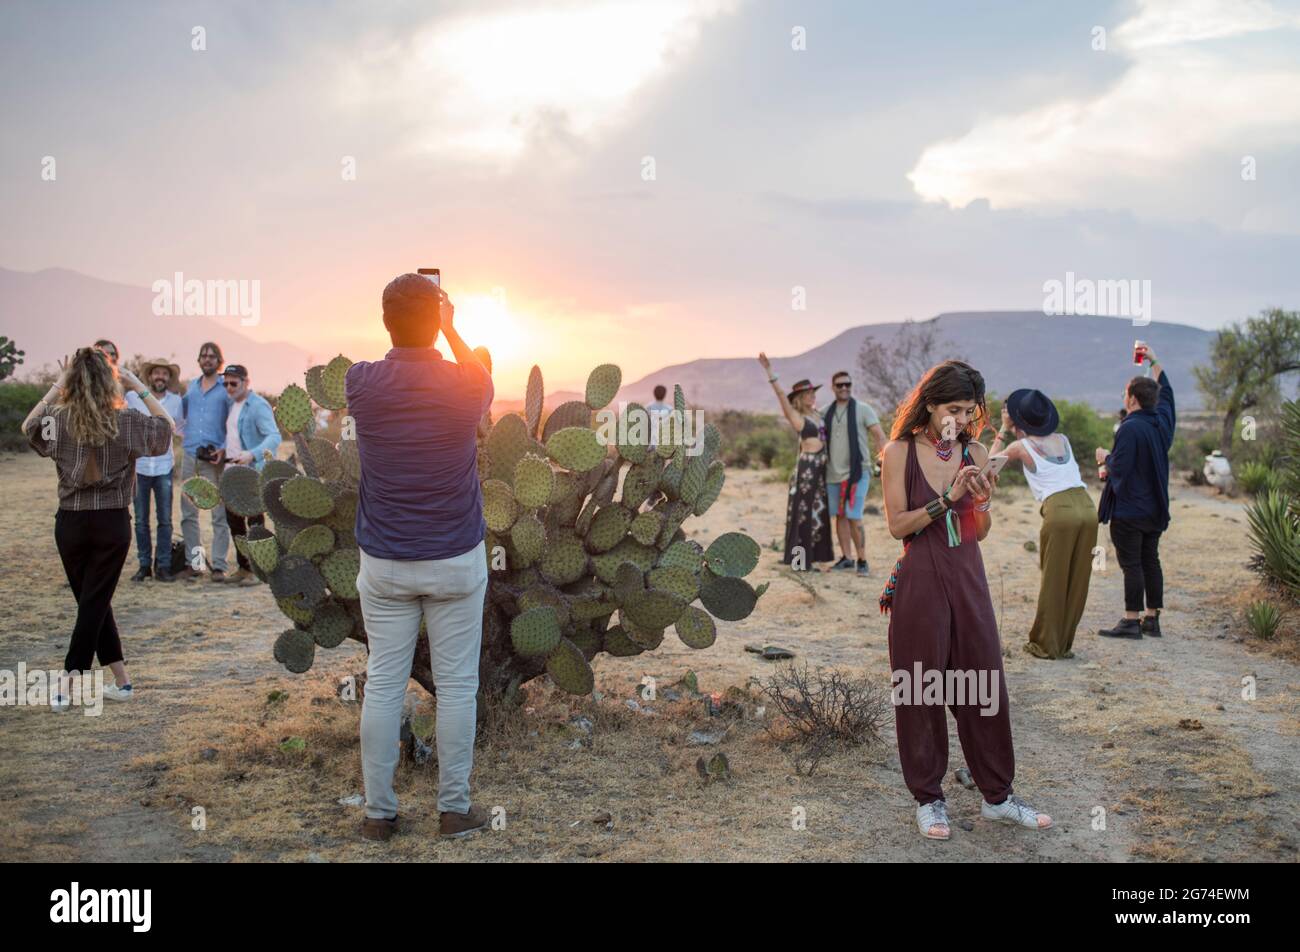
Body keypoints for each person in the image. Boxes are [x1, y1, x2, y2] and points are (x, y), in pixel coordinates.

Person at [347, 273, 494, 842]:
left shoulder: (362, 382)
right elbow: (479, 378)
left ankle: (378, 816)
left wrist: (423, 322)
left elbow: (379, 366)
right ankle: (454, 810)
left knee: (384, 682)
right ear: (437, 318)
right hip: (456, 556)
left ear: (385, 321)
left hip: (385, 561)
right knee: (458, 687)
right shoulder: (465, 384)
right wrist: (452, 328)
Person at [878, 360, 1051, 840]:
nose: (959, 419)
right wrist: (947, 497)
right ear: (930, 404)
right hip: (920, 578)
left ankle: (998, 796)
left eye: (968, 411)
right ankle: (929, 800)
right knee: (919, 687)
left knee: (984, 684)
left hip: (967, 573)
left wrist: (982, 500)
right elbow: (897, 526)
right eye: (952, 409)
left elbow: (981, 530)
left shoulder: (974, 449)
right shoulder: (898, 452)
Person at [21, 347, 174, 709]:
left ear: (71, 380)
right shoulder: (127, 422)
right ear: (111, 380)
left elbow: (28, 427)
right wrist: (137, 384)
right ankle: (69, 682)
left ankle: (121, 683)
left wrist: (58, 384)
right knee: (94, 602)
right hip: (112, 523)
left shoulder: (57, 419)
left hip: (70, 522)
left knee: (93, 601)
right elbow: (167, 428)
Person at [990, 390, 1098, 659]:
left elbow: (989, 467)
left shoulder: (1020, 446)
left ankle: (1045, 644)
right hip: (1087, 507)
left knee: (1054, 578)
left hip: (1059, 510)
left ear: (1018, 419)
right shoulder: (1063, 439)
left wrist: (1003, 428)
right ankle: (1064, 644)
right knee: (1077, 580)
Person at [1096, 347, 1174, 640]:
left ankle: (1131, 621)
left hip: (1130, 510)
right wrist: (1154, 360)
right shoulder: (1162, 424)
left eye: (1125, 393)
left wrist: (1104, 457)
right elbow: (1168, 394)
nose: (1123, 397)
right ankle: (1152, 620)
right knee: (1150, 560)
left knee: (1132, 565)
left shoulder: (1128, 428)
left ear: (1132, 398)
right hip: (1155, 509)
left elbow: (1121, 468)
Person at [757, 354, 834, 570]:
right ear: (799, 398)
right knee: (803, 514)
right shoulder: (796, 417)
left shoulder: (818, 414)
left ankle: (815, 558)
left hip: (821, 470)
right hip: (807, 470)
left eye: (812, 393)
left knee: (818, 512)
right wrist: (770, 372)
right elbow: (781, 396)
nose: (812, 396)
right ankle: (800, 562)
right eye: (808, 394)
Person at [219, 363, 282, 585]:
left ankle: (258, 571)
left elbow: (274, 437)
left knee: (255, 524)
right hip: (231, 473)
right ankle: (244, 568)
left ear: (246, 382)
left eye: (233, 383)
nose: (228, 387)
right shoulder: (232, 404)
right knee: (234, 523)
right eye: (225, 383)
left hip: (252, 473)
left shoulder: (258, 405)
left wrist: (252, 455)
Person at [177, 342, 232, 581]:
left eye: (212, 356)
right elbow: (182, 418)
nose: (207, 359)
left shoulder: (226, 388)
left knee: (218, 513)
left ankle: (219, 565)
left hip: (213, 458)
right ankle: (195, 563)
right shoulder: (191, 387)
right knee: (189, 513)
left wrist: (224, 448)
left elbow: (233, 423)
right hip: (190, 455)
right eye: (203, 356)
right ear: (199, 360)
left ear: (219, 361)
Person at [126, 358, 184, 582]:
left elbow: (180, 428)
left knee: (165, 520)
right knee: (140, 520)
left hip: (163, 466)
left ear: (169, 378)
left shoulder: (176, 402)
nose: (160, 377)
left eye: (164, 374)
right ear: (149, 377)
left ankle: (163, 566)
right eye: (156, 373)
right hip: (139, 467)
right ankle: (143, 566)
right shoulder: (132, 398)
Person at [824, 371, 887, 577]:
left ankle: (862, 560)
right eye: (840, 385)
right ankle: (846, 558)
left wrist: (884, 460)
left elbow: (879, 435)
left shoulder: (862, 409)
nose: (844, 388)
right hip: (832, 474)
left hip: (858, 472)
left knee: (854, 515)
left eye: (847, 384)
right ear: (833, 387)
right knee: (839, 515)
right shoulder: (826, 412)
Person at [646, 384, 672, 450]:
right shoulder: (669, 409)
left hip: (650, 440)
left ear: (654, 393)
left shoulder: (648, 407)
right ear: (665, 394)